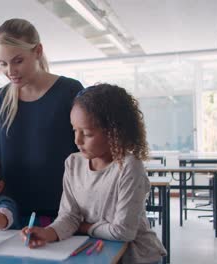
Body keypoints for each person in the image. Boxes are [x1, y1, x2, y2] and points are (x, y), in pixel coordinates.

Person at [21, 84, 167, 263]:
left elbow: (123, 232)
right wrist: (48, 233)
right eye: (74, 130)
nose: (77, 140)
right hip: (97, 252)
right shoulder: (73, 163)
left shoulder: (129, 167)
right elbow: (69, 216)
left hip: (136, 257)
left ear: (115, 132)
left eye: (87, 134)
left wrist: (84, 227)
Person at [0, 18, 84, 225]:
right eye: (3, 64)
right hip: (11, 212)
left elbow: (84, 152)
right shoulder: (0, 98)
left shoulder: (70, 91)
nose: (11, 71)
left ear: (38, 51)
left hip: (63, 212)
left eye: (18, 61)